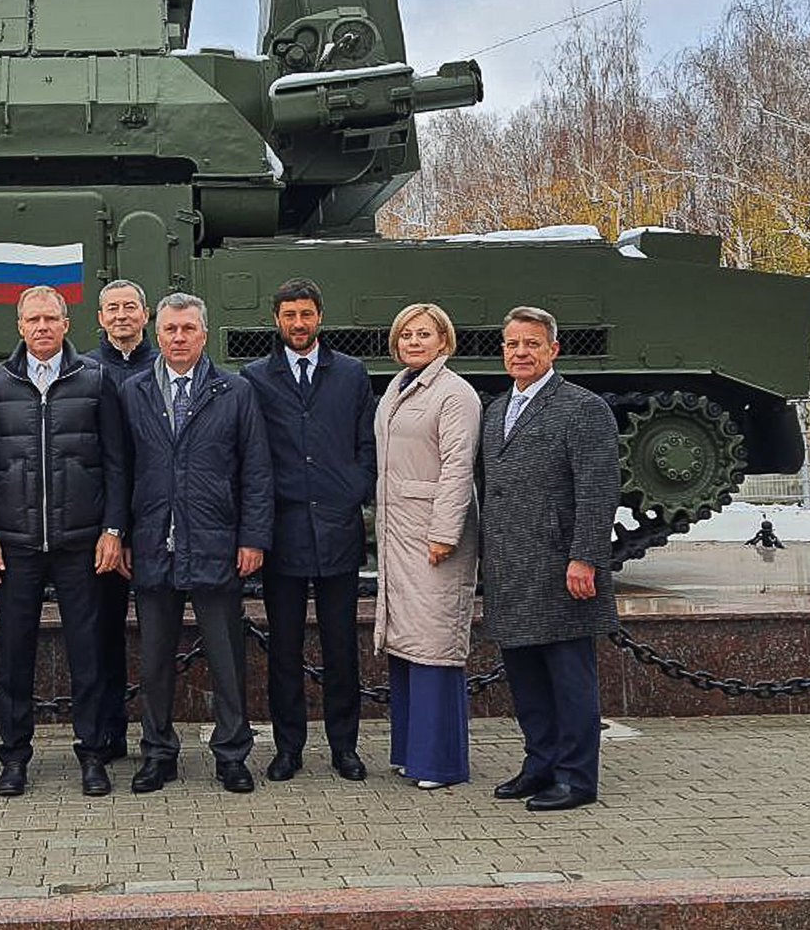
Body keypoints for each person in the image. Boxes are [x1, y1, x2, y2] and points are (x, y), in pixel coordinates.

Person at [0, 286, 128, 798]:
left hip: (80, 542)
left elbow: (116, 462)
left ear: (67, 324)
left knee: (88, 653)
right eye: (33, 319)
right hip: (16, 544)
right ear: (20, 327)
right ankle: (14, 756)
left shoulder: (95, 379)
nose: (42, 327)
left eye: (50, 318)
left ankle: (93, 754)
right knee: (15, 656)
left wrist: (113, 529)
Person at [117, 291, 272, 794]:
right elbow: (122, 469)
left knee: (226, 656)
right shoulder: (135, 391)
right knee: (154, 660)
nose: (179, 337)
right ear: (157, 334)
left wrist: (252, 537)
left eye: (188, 329)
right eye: (170, 329)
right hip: (153, 542)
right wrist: (120, 534)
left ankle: (232, 754)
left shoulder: (235, 390)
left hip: (216, 540)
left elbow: (256, 471)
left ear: (204, 334)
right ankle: (158, 753)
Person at [479, 305, 619, 812]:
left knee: (568, 677)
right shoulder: (497, 410)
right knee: (526, 676)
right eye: (513, 344)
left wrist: (585, 558)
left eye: (532, 344)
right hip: (511, 566)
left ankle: (576, 777)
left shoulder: (582, 408)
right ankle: (539, 763)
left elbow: (598, 490)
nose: (521, 353)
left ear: (553, 350)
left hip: (560, 566)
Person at [239, 278, 376, 783]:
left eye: (306, 314)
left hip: (338, 527)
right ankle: (288, 747)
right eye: (289, 315)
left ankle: (345, 747)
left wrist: (355, 487)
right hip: (284, 531)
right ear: (276, 320)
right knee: (284, 649)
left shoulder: (351, 373)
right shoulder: (255, 377)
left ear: (320, 316)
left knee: (341, 647)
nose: (298, 324)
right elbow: (250, 450)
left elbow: (367, 441)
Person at [372, 302, 481, 790]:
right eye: (406, 335)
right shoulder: (399, 387)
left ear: (444, 341)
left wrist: (444, 532)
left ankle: (440, 763)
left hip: (432, 535)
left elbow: (458, 466)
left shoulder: (455, 394)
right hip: (398, 531)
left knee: (435, 642)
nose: (413, 342)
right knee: (407, 642)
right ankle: (410, 752)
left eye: (423, 334)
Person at [89, 278, 157, 760]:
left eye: (129, 307)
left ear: (145, 315)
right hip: (105, 526)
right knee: (103, 633)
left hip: (156, 516)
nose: (121, 316)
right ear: (100, 318)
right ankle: (108, 731)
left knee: (159, 635)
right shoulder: (85, 371)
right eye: (112, 308)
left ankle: (158, 736)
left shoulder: (165, 366)